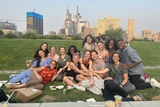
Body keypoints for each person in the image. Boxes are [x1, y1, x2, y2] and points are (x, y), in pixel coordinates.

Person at [74, 72, 145, 101]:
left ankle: (127, 96)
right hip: (103, 90)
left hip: (105, 83)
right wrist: (91, 75)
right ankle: (135, 98)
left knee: (112, 85)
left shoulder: (90, 77)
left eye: (80, 75)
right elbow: (91, 84)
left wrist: (95, 74)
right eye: (78, 77)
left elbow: (101, 79)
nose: (80, 77)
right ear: (78, 81)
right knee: (110, 100)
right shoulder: (82, 83)